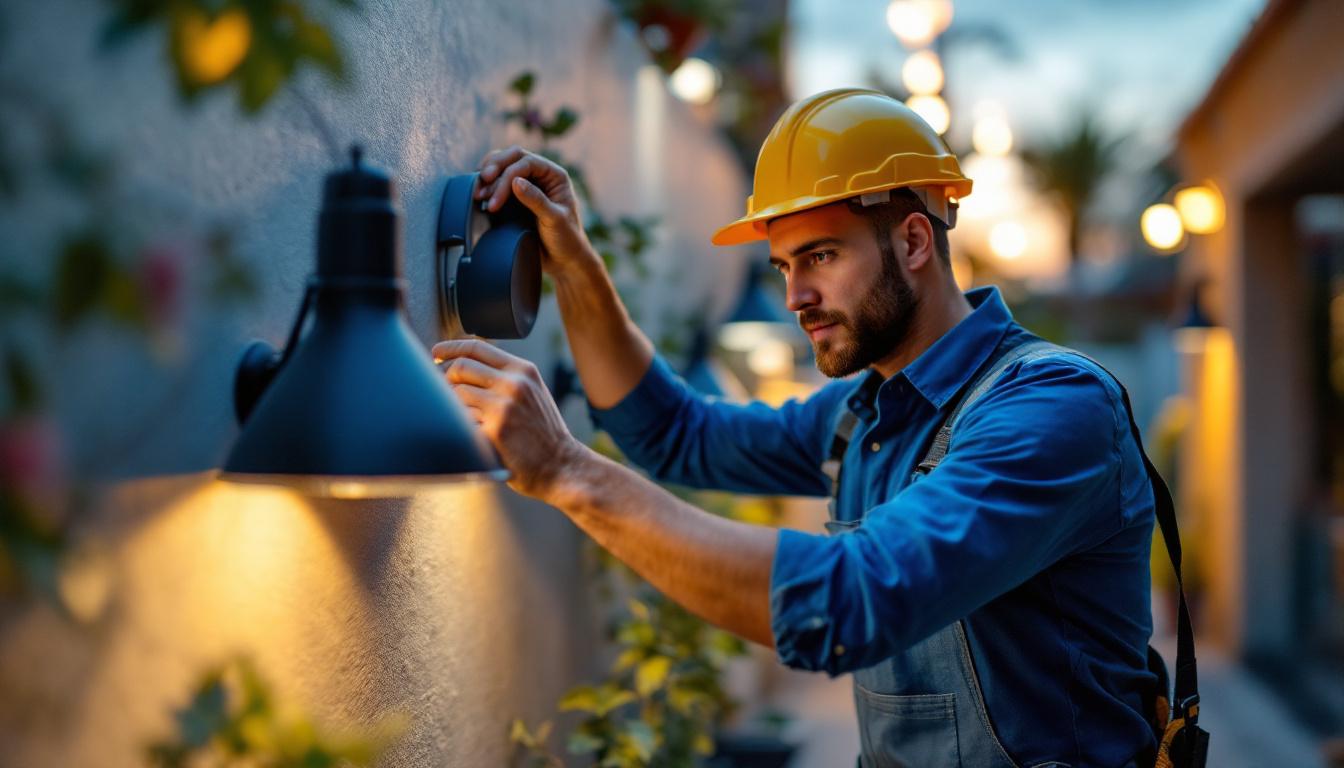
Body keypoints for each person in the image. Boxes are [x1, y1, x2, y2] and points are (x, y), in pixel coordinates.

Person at [433, 88, 1164, 767]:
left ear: (914, 243)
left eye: (819, 256)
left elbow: (851, 602)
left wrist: (569, 471)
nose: (794, 297)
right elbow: (675, 434)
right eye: (783, 265)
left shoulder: (1050, 408)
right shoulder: (865, 411)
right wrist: (573, 263)